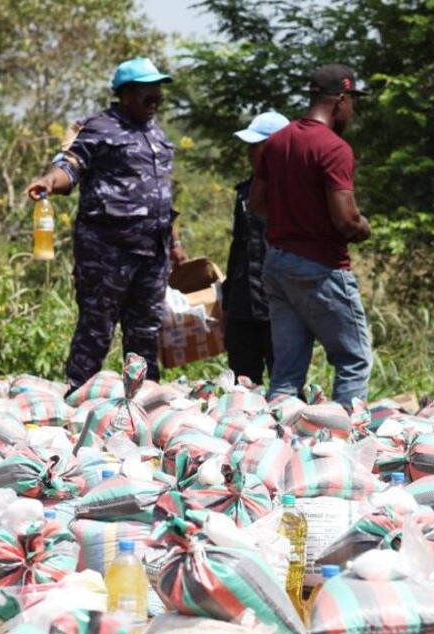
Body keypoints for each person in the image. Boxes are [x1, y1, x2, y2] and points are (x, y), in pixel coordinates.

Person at [25, 57, 185, 390]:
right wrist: (49, 182)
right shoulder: (100, 127)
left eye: (158, 94)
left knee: (145, 332)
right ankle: (79, 397)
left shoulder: (157, 134)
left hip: (153, 254)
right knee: (97, 328)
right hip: (107, 252)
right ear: (126, 94)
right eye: (148, 94)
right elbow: (70, 165)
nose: (155, 100)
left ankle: (142, 400)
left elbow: (163, 193)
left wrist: (175, 242)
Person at [249, 64, 373, 407]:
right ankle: (344, 443)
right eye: (352, 103)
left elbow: (256, 202)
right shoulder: (334, 149)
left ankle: (272, 445)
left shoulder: (276, 142)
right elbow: (346, 220)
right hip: (321, 267)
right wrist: (364, 227)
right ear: (341, 100)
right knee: (353, 360)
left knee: (286, 372)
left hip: (277, 264)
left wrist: (293, 218)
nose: (352, 111)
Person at [223, 111, 290, 385]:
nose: (251, 153)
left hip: (279, 304)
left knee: (285, 382)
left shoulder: (295, 191)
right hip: (243, 304)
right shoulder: (245, 192)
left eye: (257, 146)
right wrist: (227, 301)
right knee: (243, 383)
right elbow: (238, 248)